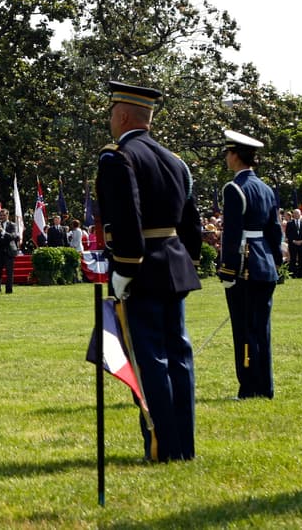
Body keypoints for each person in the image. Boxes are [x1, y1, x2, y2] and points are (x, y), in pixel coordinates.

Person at [95, 81, 202, 462]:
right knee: (180, 357)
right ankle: (184, 446)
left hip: (141, 270)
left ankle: (162, 446)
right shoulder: (174, 160)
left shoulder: (118, 157)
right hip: (174, 266)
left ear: (123, 115)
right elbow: (191, 222)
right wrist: (186, 260)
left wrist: (124, 270)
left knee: (149, 360)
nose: (110, 120)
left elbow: (127, 218)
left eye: (112, 113)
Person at [218, 129, 281, 400]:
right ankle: (265, 386)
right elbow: (275, 231)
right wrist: (275, 263)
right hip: (264, 264)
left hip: (245, 265)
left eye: (228, 153)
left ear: (235, 156)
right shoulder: (266, 189)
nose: (226, 158)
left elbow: (231, 234)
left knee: (244, 330)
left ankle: (249, 388)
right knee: (261, 329)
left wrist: (227, 270)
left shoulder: (234, 188)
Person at [283, 208, 302, 278]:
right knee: (293, 260)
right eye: (295, 213)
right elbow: (288, 234)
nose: (296, 214)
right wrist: (294, 241)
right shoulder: (289, 223)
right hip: (293, 244)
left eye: (297, 213)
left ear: (300, 214)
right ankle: (292, 275)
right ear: (293, 214)